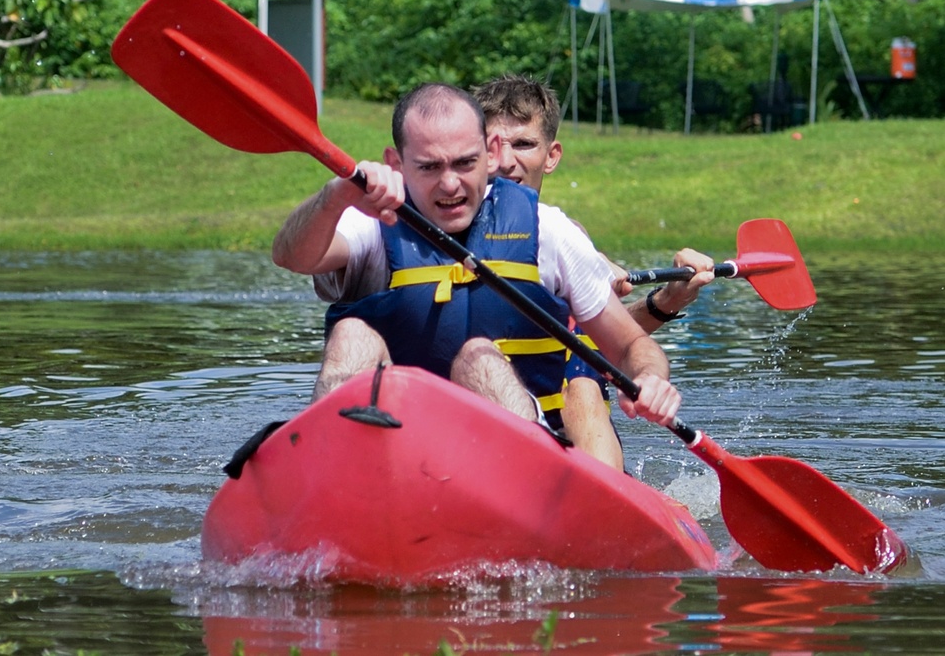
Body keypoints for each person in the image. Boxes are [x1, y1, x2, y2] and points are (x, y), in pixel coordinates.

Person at [272, 83, 682, 468]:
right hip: (399, 450)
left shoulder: (548, 230)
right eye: (429, 167)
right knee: (351, 336)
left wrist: (650, 379)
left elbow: (630, 344)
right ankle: (332, 474)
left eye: (465, 163)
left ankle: (530, 493)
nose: (450, 184)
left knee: (477, 357)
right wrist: (334, 197)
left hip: (516, 460)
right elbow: (291, 256)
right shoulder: (370, 222)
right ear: (396, 163)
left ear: (490, 151)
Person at [473, 74, 714, 470]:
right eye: (493, 146)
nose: (506, 161)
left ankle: (605, 501)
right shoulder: (445, 221)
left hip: (566, 418)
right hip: (481, 413)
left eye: (524, 145)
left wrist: (665, 302)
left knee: (584, 384)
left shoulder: (567, 238)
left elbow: (602, 341)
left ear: (551, 156)